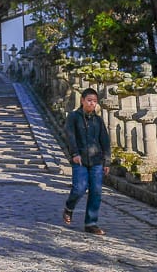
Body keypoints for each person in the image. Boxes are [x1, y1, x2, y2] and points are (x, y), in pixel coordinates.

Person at [63, 87, 111, 236]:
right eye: (89, 100)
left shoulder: (98, 120)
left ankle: (91, 223)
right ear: (82, 100)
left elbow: (105, 141)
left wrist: (107, 161)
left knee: (96, 191)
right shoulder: (73, 117)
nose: (92, 104)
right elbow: (70, 135)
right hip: (80, 160)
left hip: (96, 160)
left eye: (94, 102)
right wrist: (74, 153)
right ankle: (69, 207)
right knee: (79, 188)